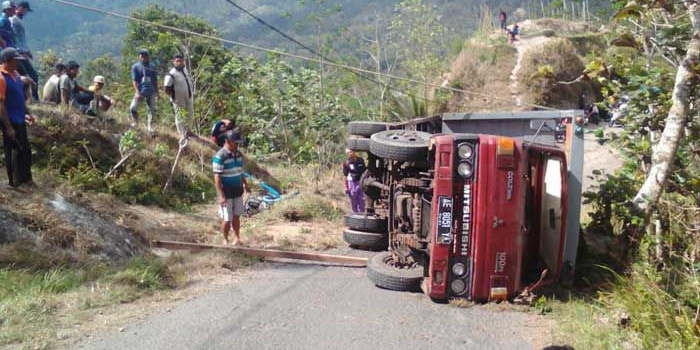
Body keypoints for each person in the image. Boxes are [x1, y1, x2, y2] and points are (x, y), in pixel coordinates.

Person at [0, 47, 34, 189]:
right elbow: (1, 104)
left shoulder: (15, 75)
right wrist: (8, 127)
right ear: (7, 61)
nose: (18, 63)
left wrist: (28, 113)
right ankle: (14, 182)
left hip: (20, 118)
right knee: (13, 150)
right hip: (10, 119)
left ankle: (26, 178)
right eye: (15, 60)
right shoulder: (1, 77)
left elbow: (20, 98)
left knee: (25, 149)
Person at [213, 130, 250, 245]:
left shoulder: (238, 154)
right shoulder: (220, 156)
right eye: (235, 142)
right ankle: (225, 239)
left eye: (238, 143)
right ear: (228, 142)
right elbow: (217, 178)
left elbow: (240, 171)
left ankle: (237, 238)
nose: (237, 145)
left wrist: (246, 184)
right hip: (226, 192)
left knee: (236, 216)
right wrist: (221, 196)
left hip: (237, 191)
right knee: (227, 219)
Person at [11, 1, 37, 101]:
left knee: (27, 76)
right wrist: (22, 51)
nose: (26, 13)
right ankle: (32, 97)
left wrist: (27, 50)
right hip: (19, 53)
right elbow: (15, 38)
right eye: (26, 10)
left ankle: (29, 97)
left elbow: (22, 39)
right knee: (30, 75)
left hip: (22, 52)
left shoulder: (18, 20)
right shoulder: (14, 20)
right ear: (21, 8)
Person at [163, 54, 193, 139]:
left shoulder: (185, 69)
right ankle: (182, 134)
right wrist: (173, 97)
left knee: (190, 115)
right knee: (180, 117)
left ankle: (189, 132)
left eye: (181, 61)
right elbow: (166, 88)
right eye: (177, 61)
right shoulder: (171, 74)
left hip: (189, 97)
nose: (179, 63)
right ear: (173, 62)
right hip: (178, 100)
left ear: (184, 61)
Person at [129, 49, 158, 133]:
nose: (143, 58)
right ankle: (136, 122)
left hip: (151, 91)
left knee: (151, 110)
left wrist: (157, 92)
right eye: (142, 56)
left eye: (145, 56)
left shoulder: (152, 67)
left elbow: (155, 80)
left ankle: (150, 127)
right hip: (141, 91)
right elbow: (134, 81)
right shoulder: (136, 66)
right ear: (139, 57)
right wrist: (137, 92)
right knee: (133, 108)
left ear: (148, 57)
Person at [342, 148, 366, 213]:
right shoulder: (346, 162)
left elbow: (365, 171)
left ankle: (362, 214)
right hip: (351, 183)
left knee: (361, 200)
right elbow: (345, 175)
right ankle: (355, 214)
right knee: (353, 199)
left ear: (354, 152)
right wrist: (345, 187)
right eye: (348, 153)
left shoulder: (360, 160)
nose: (349, 154)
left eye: (350, 152)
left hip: (360, 182)